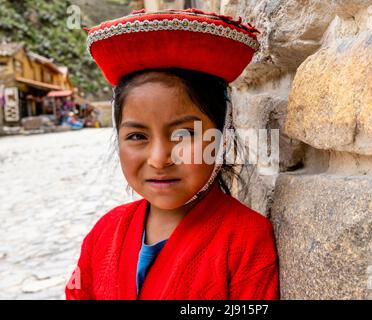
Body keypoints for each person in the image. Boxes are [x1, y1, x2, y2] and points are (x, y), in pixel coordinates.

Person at [65, 8, 279, 300]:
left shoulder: (246, 241)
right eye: (137, 136)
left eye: (184, 135)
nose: (158, 158)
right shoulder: (103, 234)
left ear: (222, 136)